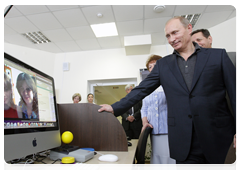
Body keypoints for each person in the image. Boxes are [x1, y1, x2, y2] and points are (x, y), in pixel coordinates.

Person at [98, 16, 238, 170]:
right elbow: (141, 90)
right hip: (184, 142)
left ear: (189, 29)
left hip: (218, 137)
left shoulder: (217, 56)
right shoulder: (164, 65)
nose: (172, 39)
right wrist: (114, 107)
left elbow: (236, 95)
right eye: (168, 36)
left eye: (175, 33)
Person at [141, 55, 176, 170]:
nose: (152, 68)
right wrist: (145, 122)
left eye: (155, 65)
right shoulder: (146, 86)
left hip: (169, 129)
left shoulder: (171, 82)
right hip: (153, 129)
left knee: (169, 158)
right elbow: (144, 108)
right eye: (149, 67)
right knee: (156, 157)